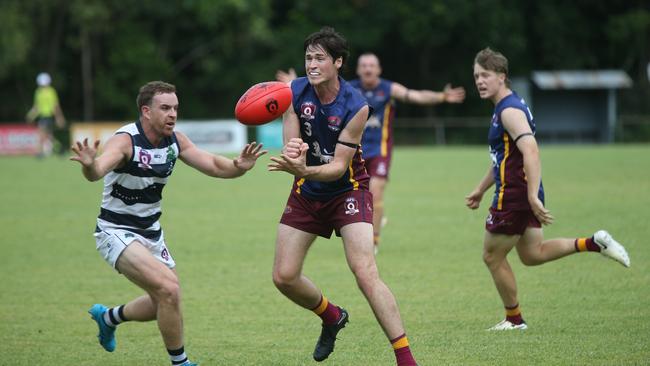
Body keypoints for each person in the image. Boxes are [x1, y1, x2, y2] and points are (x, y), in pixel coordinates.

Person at [70, 81, 266, 365]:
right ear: (146, 111)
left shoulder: (175, 141)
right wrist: (89, 164)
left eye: (175, 108)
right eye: (165, 108)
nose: (172, 114)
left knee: (164, 301)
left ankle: (108, 317)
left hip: (151, 232)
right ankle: (181, 362)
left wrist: (238, 167)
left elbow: (212, 164)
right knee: (169, 291)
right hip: (116, 231)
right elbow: (98, 170)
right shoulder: (126, 141)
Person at [268, 27, 417, 366]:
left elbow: (337, 168)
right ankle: (331, 316)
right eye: (308, 58)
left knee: (364, 271)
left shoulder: (356, 106)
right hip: (307, 192)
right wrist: (294, 153)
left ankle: (405, 358)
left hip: (347, 189)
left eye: (320, 58)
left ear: (338, 62)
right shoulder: (294, 92)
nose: (311, 64)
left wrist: (303, 170)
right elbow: (292, 141)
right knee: (284, 277)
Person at [466, 48, 630, 331]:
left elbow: (531, 150)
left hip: (515, 194)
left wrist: (529, 195)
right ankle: (594, 242)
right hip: (521, 190)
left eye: (485, 76)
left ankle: (514, 320)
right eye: (476, 76)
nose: (480, 81)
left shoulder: (509, 110)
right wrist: (481, 189)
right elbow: (504, 158)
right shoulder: (504, 107)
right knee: (532, 254)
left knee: (492, 256)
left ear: (502, 77)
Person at [278, 53, 466, 253]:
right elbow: (317, 92)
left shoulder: (387, 88)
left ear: (379, 69)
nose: (368, 69)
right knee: (362, 195)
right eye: (364, 65)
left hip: (379, 152)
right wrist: (294, 83)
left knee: (375, 193)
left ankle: (373, 241)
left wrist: (442, 96)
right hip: (350, 155)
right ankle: (364, 223)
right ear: (358, 70)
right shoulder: (346, 90)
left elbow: (414, 95)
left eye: (372, 66)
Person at [26, 72, 66, 157]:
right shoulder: (47, 91)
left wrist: (59, 117)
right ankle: (60, 149)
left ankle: (40, 153)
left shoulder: (42, 92)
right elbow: (38, 107)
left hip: (47, 116)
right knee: (48, 136)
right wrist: (31, 115)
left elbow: (54, 106)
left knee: (41, 134)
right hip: (46, 117)